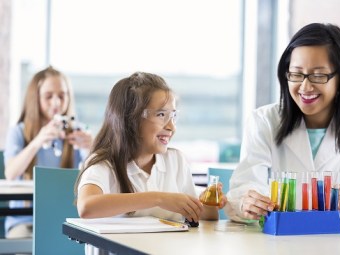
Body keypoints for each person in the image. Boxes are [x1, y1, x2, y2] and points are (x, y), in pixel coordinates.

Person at [226, 23, 340, 226]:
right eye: (296, 74)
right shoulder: (263, 121)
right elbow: (242, 190)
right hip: (276, 244)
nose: (305, 86)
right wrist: (247, 203)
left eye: (318, 75)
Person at [75, 72, 227, 254]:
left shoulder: (175, 161)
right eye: (161, 115)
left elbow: (202, 216)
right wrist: (159, 198)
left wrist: (209, 204)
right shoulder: (105, 163)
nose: (171, 126)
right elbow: (87, 207)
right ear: (131, 119)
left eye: (173, 116)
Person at [4, 66, 93, 238]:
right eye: (48, 96)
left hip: (67, 219)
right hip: (26, 221)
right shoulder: (18, 132)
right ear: (35, 98)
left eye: (62, 95)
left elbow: (94, 176)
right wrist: (37, 141)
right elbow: (11, 173)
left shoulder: (78, 132)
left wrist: (91, 148)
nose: (56, 103)